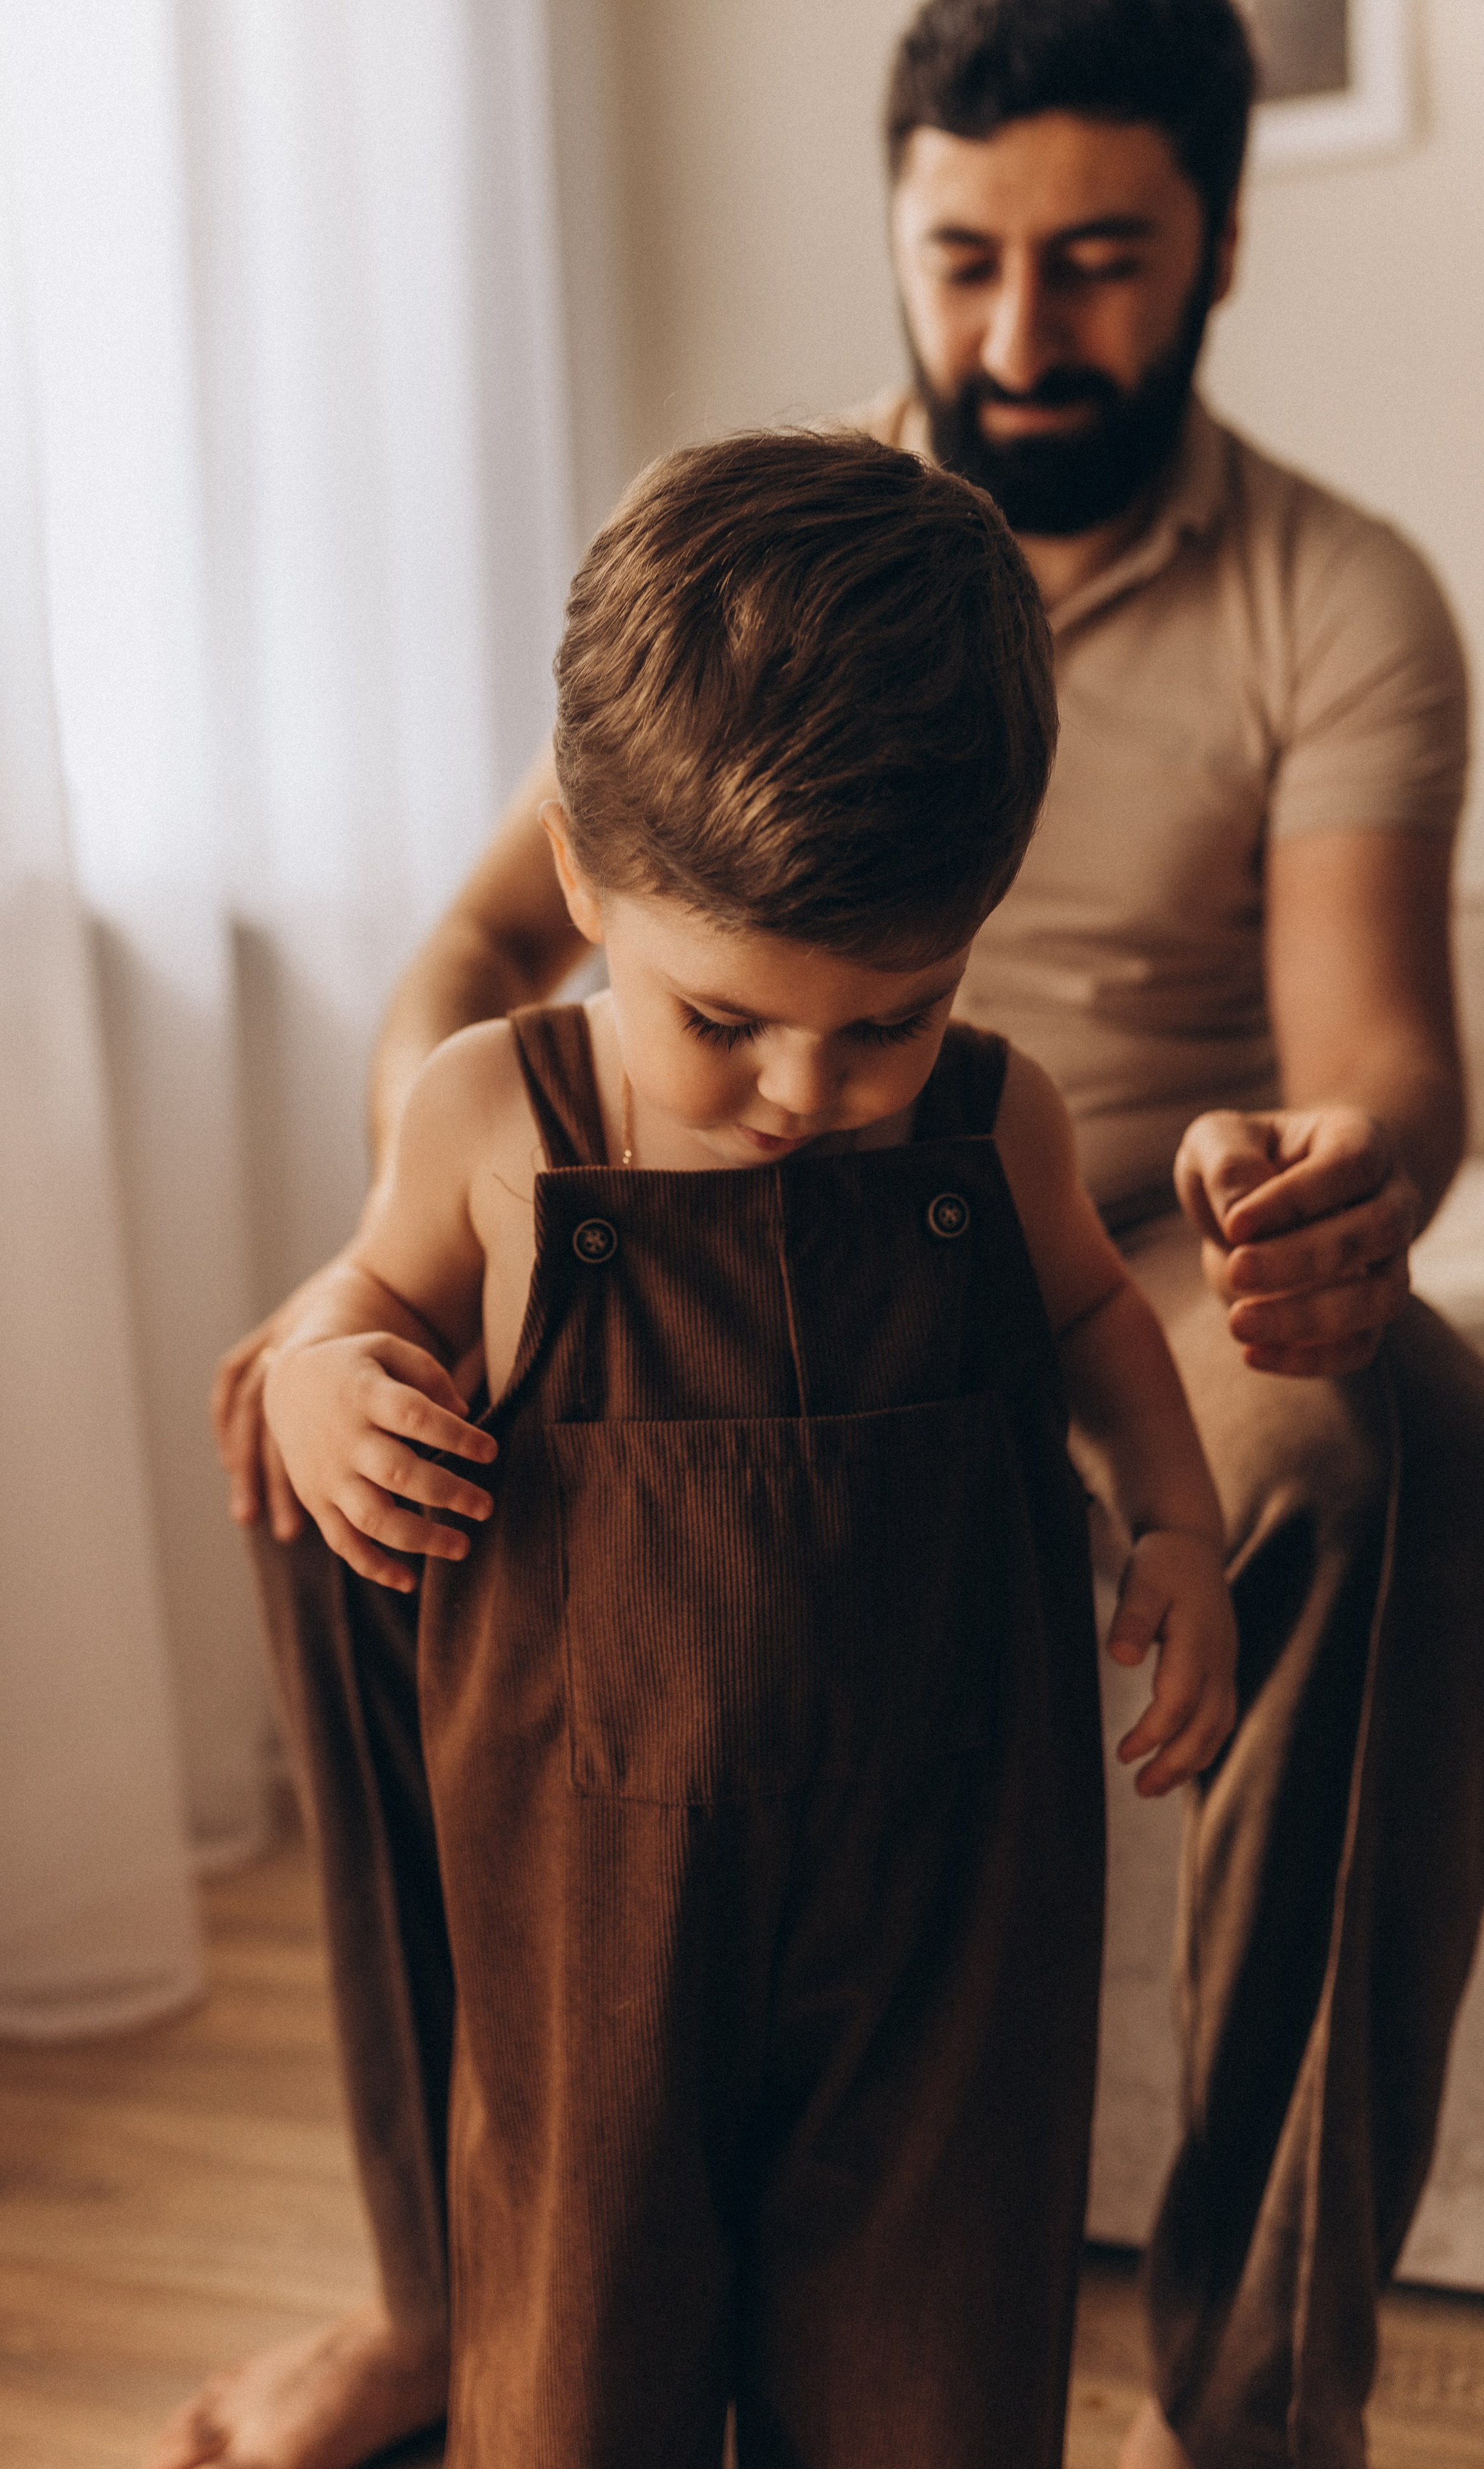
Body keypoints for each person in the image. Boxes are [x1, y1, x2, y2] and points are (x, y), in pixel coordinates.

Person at [167, 3, 1483, 2466]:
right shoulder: (759, 582)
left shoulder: (1338, 600)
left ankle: (1251, 2392)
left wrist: (1330, 1183)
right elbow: (486, 959)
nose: (1019, 327)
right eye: (966, 257)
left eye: (1097, 261)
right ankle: (451, 2286)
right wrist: (440, 1242)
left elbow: (1389, 1050)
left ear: (1217, 240)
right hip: (651, 1229)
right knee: (303, 1415)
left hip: (1107, 1228)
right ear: (897, 225)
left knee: (1375, 1429)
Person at [262, 428, 1238, 2466]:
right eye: (722, 1022)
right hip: (590, 1894)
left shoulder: (994, 1124)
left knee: (928, 2349)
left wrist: (1174, 1521)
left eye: (891, 1017)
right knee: (582, 2338)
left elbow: (1090, 1320)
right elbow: (356, 1298)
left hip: (946, 1888)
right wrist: (322, 1381)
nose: (808, 1087)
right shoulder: (498, 1116)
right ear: (582, 880)